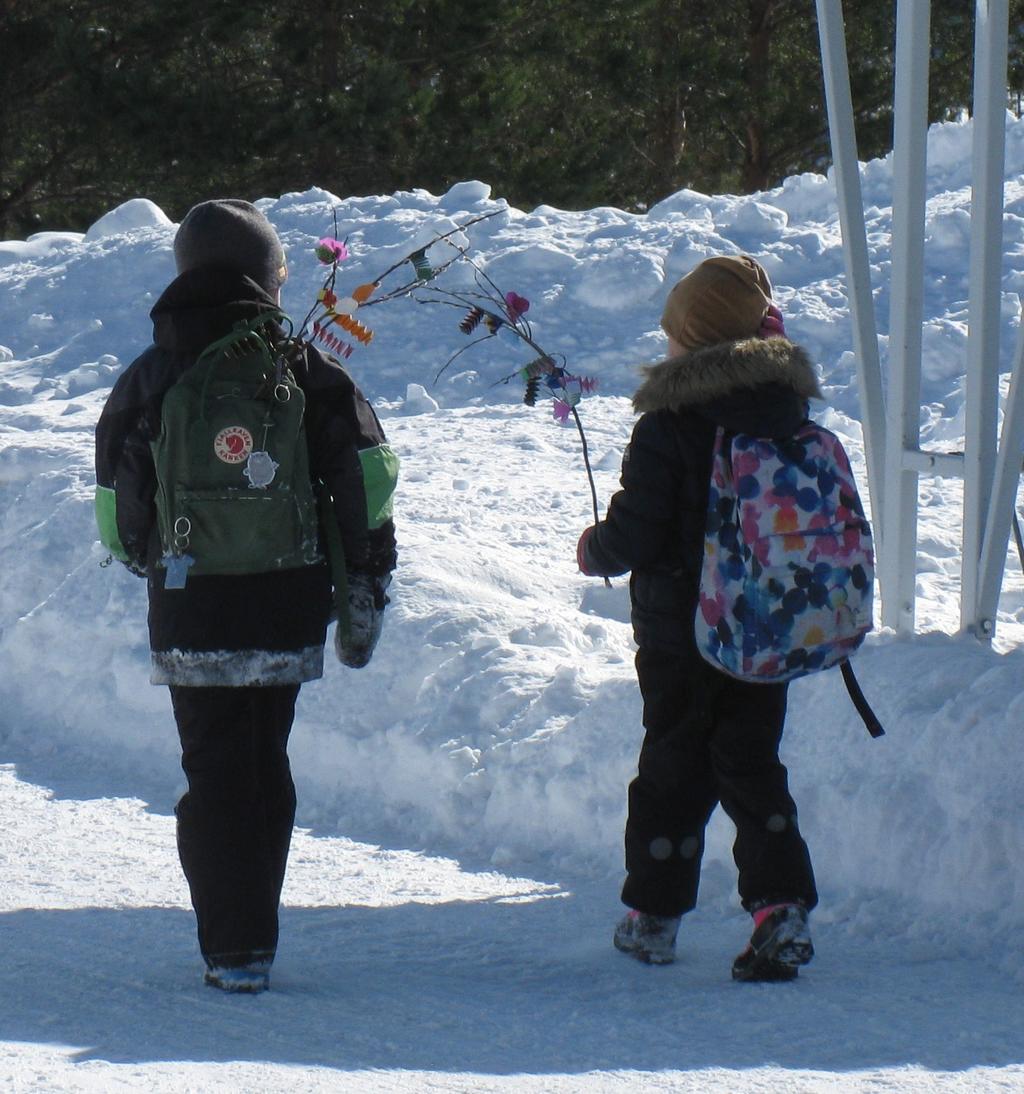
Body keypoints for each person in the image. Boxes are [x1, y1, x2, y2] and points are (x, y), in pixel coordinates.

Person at [95, 199, 397, 993]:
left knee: (214, 769)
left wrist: (151, 559)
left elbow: (115, 510)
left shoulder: (153, 372)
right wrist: (366, 570)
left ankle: (232, 948)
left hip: (191, 603)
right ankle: (254, 933)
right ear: (268, 278)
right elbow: (367, 474)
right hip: (286, 600)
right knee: (264, 759)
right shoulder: (301, 364)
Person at [576, 255, 820, 981]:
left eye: (675, 332)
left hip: (682, 627)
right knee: (750, 761)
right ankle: (779, 906)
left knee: (674, 762)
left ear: (695, 337)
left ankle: (653, 915)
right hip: (765, 622)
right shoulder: (784, 411)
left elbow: (640, 528)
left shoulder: (669, 422)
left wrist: (597, 548)